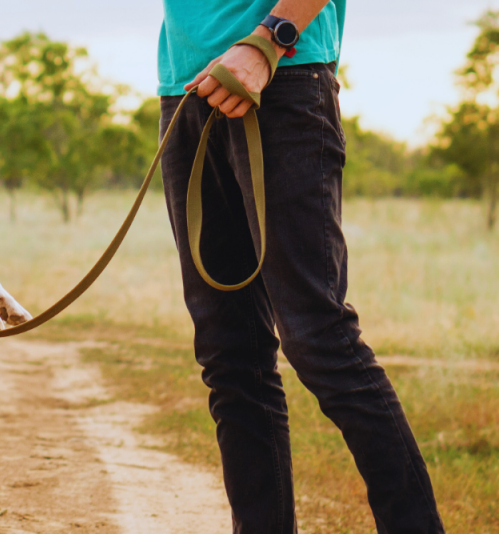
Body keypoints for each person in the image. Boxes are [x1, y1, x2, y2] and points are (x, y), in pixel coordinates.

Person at [157, 1, 446, 532]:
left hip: (279, 73)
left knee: (318, 336)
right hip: (185, 88)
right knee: (229, 354)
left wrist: (272, 36)